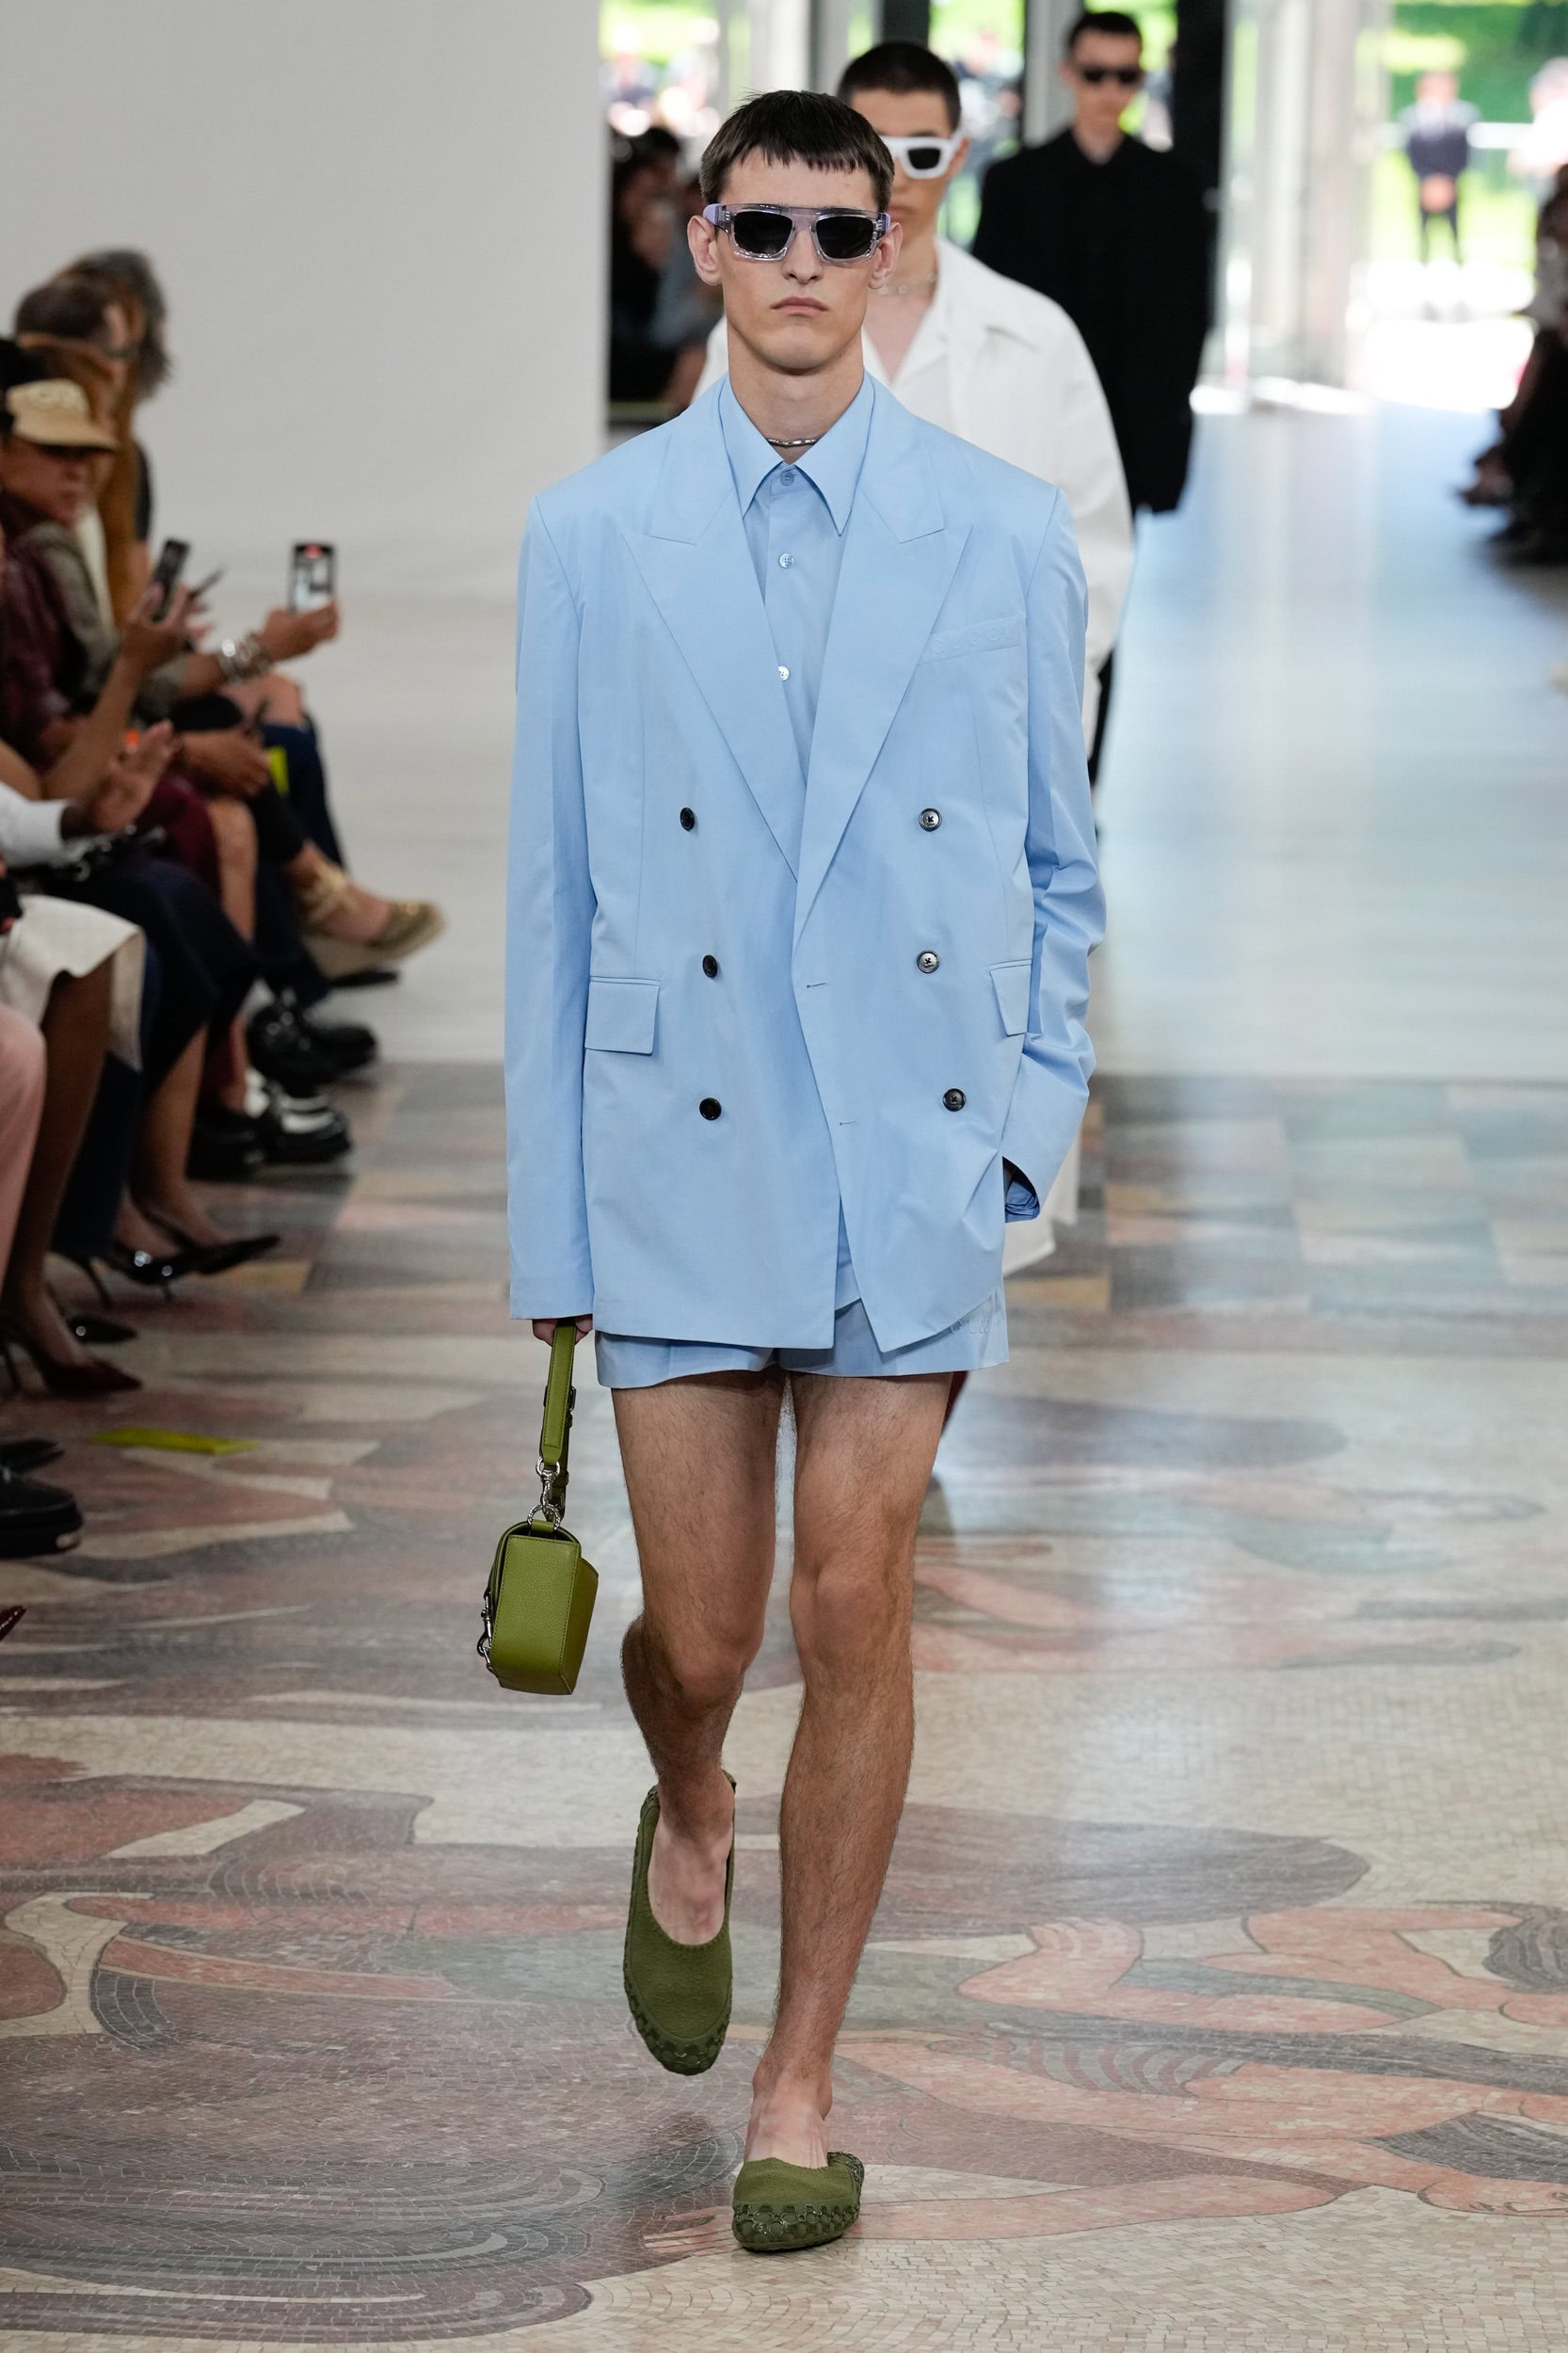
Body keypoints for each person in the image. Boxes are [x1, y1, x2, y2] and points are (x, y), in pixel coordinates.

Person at [507, 89, 1101, 2252]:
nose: (797, 267)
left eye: (837, 231)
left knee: (856, 1601)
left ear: (885, 243)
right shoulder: (591, 534)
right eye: (759, 228)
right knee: (699, 1630)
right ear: (699, 243)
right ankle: (688, 1797)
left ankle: (801, 2076)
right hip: (675, 1140)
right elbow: (554, 892)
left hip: (905, 1144)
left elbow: (1058, 864)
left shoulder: (999, 527)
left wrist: (1023, 1134)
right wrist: (550, 1221)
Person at [697, 42, 1132, 757]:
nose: (896, 173)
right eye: (876, 145)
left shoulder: (1036, 336)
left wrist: (1058, 708)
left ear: (958, 156)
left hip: (984, 717)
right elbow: (711, 523)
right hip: (795, 719)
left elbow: (1092, 545)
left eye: (921, 152)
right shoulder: (750, 333)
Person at [1401, 71, 1478, 264]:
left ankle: (1458, 262)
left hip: (1450, 182)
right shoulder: (1412, 117)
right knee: (1422, 228)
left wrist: (1448, 181)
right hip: (1425, 182)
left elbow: (1464, 152)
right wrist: (1426, 180)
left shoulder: (1462, 116)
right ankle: (1422, 261)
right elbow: (1410, 152)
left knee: (1455, 226)